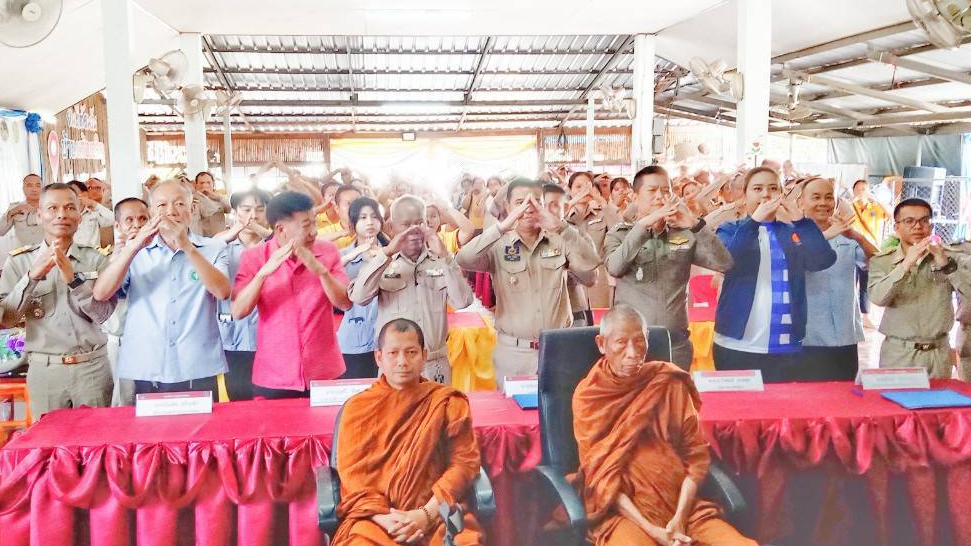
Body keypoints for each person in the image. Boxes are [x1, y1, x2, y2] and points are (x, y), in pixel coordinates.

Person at [572, 305, 756, 546]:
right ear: (601, 344)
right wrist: (651, 529)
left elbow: (696, 457)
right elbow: (599, 478)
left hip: (682, 505)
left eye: (640, 341)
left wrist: (679, 518)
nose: (633, 353)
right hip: (623, 513)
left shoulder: (667, 382)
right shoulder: (590, 397)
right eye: (621, 343)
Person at [331, 319, 483, 546]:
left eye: (411, 352)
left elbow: (464, 464)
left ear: (424, 355)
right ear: (379, 357)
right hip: (375, 520)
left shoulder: (446, 402)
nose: (402, 361)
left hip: (436, 513)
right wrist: (386, 519)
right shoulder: (358, 408)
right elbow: (353, 480)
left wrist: (426, 514)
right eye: (393, 353)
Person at [93, 180, 231, 399]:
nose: (171, 212)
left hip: (197, 365)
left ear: (192, 209)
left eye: (179, 204)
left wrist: (186, 246)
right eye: (162, 205)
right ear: (151, 212)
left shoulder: (213, 248)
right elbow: (101, 293)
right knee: (151, 433)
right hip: (148, 366)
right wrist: (132, 247)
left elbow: (222, 292)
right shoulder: (136, 251)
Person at [457, 179, 599, 379]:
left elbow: (590, 272)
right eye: (520, 202)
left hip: (558, 347)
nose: (528, 208)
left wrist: (561, 228)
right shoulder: (498, 245)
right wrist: (502, 226)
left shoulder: (560, 239)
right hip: (515, 352)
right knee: (513, 410)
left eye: (535, 202)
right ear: (508, 206)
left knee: (559, 408)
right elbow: (463, 258)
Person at [0, 183, 117, 417]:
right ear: (39, 215)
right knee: (48, 447)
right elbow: (8, 319)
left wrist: (74, 281)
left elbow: (104, 314)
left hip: (91, 368)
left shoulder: (96, 260)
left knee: (95, 446)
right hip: (45, 370)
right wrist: (32, 277)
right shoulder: (19, 263)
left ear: (79, 216)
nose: (62, 214)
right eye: (53, 208)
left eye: (69, 208)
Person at [712, 167, 837, 382]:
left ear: (781, 193)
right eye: (757, 189)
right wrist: (754, 222)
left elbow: (822, 260)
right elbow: (727, 261)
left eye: (772, 188)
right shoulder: (730, 229)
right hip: (736, 343)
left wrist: (800, 220)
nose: (765, 194)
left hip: (785, 343)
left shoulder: (791, 231)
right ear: (745, 195)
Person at [605, 166, 733, 369]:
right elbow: (615, 267)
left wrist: (694, 224)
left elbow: (724, 264)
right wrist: (643, 226)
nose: (660, 197)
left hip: (675, 342)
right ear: (636, 197)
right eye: (652, 191)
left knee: (676, 398)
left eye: (666, 191)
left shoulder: (682, 233)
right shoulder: (620, 234)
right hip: (631, 345)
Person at [231, 191, 351, 398]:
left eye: (314, 223)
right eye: (306, 226)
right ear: (281, 229)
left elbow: (345, 302)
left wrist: (321, 271)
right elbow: (238, 311)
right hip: (274, 374)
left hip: (324, 370)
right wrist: (262, 274)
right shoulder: (255, 257)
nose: (314, 232)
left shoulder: (328, 251)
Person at [349, 195, 473, 384]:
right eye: (406, 225)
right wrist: (388, 252)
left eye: (419, 223)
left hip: (434, 365)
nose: (414, 231)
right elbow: (359, 297)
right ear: (391, 227)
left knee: (437, 414)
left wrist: (445, 257)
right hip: (395, 368)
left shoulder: (440, 260)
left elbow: (463, 301)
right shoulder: (380, 262)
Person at [868, 198, 971, 378]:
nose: (918, 226)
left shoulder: (948, 256)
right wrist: (906, 265)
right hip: (899, 352)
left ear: (931, 226)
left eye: (924, 221)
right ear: (896, 227)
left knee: (938, 405)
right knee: (895, 404)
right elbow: (878, 298)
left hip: (938, 352)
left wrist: (946, 265)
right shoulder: (882, 260)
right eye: (909, 221)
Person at [799, 177, 877, 380]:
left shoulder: (848, 236)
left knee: (844, 394)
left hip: (844, 334)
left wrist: (859, 237)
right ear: (801, 202)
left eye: (828, 197)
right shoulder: (793, 235)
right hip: (806, 336)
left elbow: (879, 263)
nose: (823, 203)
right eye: (816, 197)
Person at [215, 189, 272, 400]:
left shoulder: (274, 244)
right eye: (246, 210)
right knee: (237, 395)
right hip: (232, 333)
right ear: (235, 212)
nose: (253, 216)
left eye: (260, 210)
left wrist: (265, 232)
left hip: (267, 332)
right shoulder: (221, 243)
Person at [102, 197, 150, 406]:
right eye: (129, 220)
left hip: (152, 340)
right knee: (125, 400)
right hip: (121, 340)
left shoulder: (159, 252)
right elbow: (110, 293)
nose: (137, 224)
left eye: (142, 219)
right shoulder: (109, 257)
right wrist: (121, 254)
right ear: (117, 226)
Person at [338, 197, 389, 378]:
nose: (370, 222)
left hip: (388, 337)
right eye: (363, 218)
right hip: (354, 339)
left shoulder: (392, 252)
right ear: (353, 224)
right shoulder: (343, 256)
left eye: (374, 217)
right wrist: (353, 256)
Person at [543, 183, 598, 326]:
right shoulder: (526, 237)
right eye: (543, 204)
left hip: (573, 312)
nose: (548, 210)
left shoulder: (577, 235)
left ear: (566, 208)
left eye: (555, 205)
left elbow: (591, 278)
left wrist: (567, 256)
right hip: (537, 316)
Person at [565, 171, 618, 309]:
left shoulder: (602, 213)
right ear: (569, 191)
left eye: (587, 186)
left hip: (598, 277)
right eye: (578, 187)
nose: (583, 190)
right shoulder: (564, 217)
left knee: (599, 321)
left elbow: (618, 229)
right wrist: (569, 205)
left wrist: (602, 201)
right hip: (572, 278)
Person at [67, 180, 114, 249]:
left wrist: (94, 204)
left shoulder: (94, 213)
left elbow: (114, 219)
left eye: (74, 193)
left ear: (84, 194)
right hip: (72, 256)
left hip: (93, 256)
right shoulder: (65, 215)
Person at [0, 174, 43, 248]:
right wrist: (10, 213)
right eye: (29, 185)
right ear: (23, 188)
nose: (34, 189)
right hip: (22, 255)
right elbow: (1, 231)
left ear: (42, 188)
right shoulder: (14, 207)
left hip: (45, 254)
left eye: (38, 186)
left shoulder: (51, 207)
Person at [318, 184, 361, 248]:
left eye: (358, 203)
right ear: (337, 208)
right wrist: (341, 233)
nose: (354, 207)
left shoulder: (370, 228)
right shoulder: (327, 232)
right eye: (348, 203)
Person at [193, 172, 232, 237]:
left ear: (213, 184)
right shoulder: (194, 199)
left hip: (221, 238)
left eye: (208, 182)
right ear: (196, 184)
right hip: (205, 240)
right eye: (201, 183)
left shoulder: (218, 197)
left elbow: (230, 209)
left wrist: (219, 198)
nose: (205, 186)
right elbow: (209, 212)